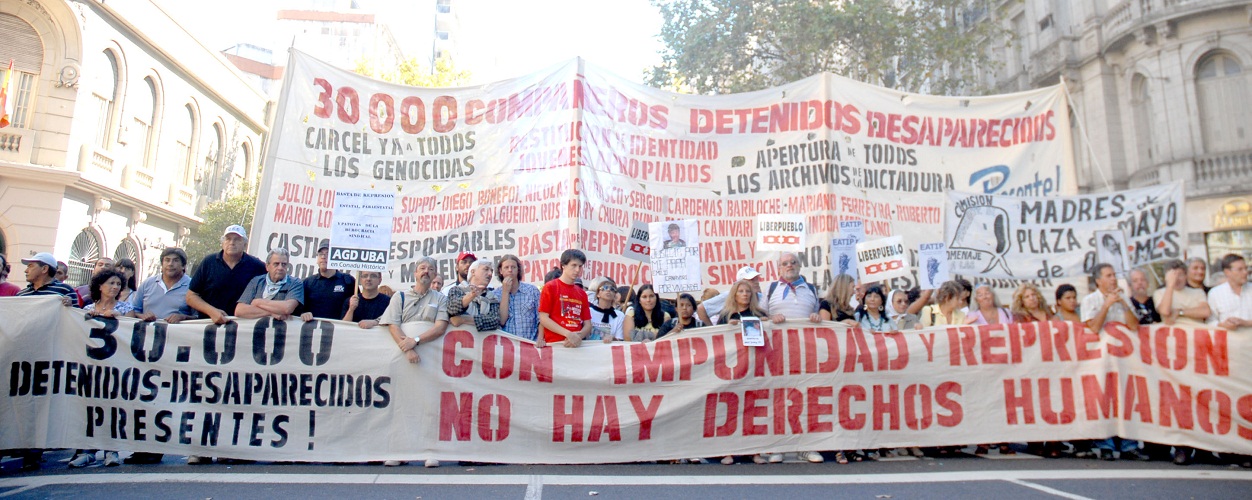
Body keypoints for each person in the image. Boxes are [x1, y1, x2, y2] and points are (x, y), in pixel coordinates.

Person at [377, 255, 448, 468]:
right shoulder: (399, 297)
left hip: (430, 357)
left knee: (429, 403)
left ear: (435, 274)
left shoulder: (440, 299)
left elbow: (440, 327)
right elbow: (393, 325)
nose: (426, 272)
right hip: (404, 358)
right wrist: (407, 349)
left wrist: (416, 341)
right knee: (402, 404)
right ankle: (399, 451)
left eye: (430, 269)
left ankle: (430, 450)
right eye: (422, 268)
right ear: (415, 273)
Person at [71, 268, 134, 468]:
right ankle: (86, 450)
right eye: (111, 283)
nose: (115, 287)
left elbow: (134, 331)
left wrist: (119, 318)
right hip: (91, 367)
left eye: (118, 284)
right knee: (88, 406)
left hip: (115, 366)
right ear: (100, 286)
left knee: (112, 407)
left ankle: (111, 449)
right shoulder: (87, 308)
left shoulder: (125, 308)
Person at [1081, 263, 1142, 461]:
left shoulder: (1123, 297)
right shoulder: (1090, 300)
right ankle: (1105, 444)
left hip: (1124, 358)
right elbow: (1093, 327)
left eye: (1114, 275)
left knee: (1127, 399)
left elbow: (1134, 326)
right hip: (1101, 359)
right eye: (1108, 276)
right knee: (1103, 399)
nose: (1113, 279)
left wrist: (1123, 303)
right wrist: (1106, 305)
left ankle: (1128, 444)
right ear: (1098, 280)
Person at [186, 225, 267, 325]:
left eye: (237, 239)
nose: (232, 243)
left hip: (243, 329)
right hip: (208, 325)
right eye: (228, 239)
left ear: (245, 244)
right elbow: (191, 296)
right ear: (222, 243)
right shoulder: (209, 262)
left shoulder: (257, 266)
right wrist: (211, 311)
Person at [538, 249, 591, 348]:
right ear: (563, 265)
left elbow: (588, 324)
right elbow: (544, 318)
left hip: (576, 346)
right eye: (573, 265)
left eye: (580, 266)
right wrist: (568, 334)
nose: (577, 270)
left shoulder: (582, 293)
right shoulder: (550, 287)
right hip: (555, 345)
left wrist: (577, 336)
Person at [234, 248, 303, 320]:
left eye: (284, 264)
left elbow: (287, 308)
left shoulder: (295, 283)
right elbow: (239, 310)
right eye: (276, 264)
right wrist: (271, 313)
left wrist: (258, 302)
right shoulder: (256, 281)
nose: (280, 268)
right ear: (267, 266)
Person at [130, 247, 194, 324]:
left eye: (175, 260)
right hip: (147, 333)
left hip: (177, 334)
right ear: (162, 264)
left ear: (183, 265)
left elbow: (200, 318)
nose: (170, 264)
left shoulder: (192, 286)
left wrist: (183, 317)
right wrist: (143, 316)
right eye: (167, 260)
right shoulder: (147, 284)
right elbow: (134, 311)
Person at [300, 242, 356, 322]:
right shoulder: (307, 283)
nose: (323, 257)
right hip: (313, 332)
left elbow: (357, 308)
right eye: (320, 254)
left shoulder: (348, 281)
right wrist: (303, 313)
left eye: (327, 254)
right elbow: (298, 309)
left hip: (339, 332)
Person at [492, 254, 541, 342]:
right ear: (500, 271)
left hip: (530, 344)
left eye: (513, 267)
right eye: (506, 267)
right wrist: (505, 292)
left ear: (518, 270)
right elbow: (502, 321)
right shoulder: (495, 294)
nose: (510, 270)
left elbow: (540, 319)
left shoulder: (532, 291)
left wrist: (540, 339)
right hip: (508, 346)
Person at [447, 259, 502, 331]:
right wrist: (471, 295)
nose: (490, 274)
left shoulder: (492, 297)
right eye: (486, 269)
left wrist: (464, 319)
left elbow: (495, 321)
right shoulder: (457, 290)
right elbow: (452, 309)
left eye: (491, 271)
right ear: (473, 272)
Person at [697, 266, 763, 325]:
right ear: (740, 282)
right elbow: (701, 308)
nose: (756, 282)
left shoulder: (762, 297)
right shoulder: (728, 296)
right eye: (751, 280)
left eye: (756, 278)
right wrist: (712, 332)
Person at [1155, 259, 1211, 328]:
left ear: (1186, 276)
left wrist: (1179, 312)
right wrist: (1170, 286)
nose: (1177, 278)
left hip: (1196, 332)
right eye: (1173, 275)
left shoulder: (1198, 292)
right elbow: (1165, 311)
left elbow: (1205, 312)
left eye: (1180, 275)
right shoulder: (1159, 292)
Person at [1208, 253, 1252, 331]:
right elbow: (1210, 321)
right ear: (1227, 272)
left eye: (1246, 268)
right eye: (1240, 269)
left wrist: (1245, 323)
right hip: (1229, 340)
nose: (1245, 272)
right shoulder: (1215, 293)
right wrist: (1222, 325)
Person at [588, 277, 624, 342]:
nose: (608, 290)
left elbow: (620, 339)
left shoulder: (619, 315)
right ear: (598, 294)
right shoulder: (589, 311)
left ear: (614, 295)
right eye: (604, 288)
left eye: (612, 289)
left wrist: (613, 338)